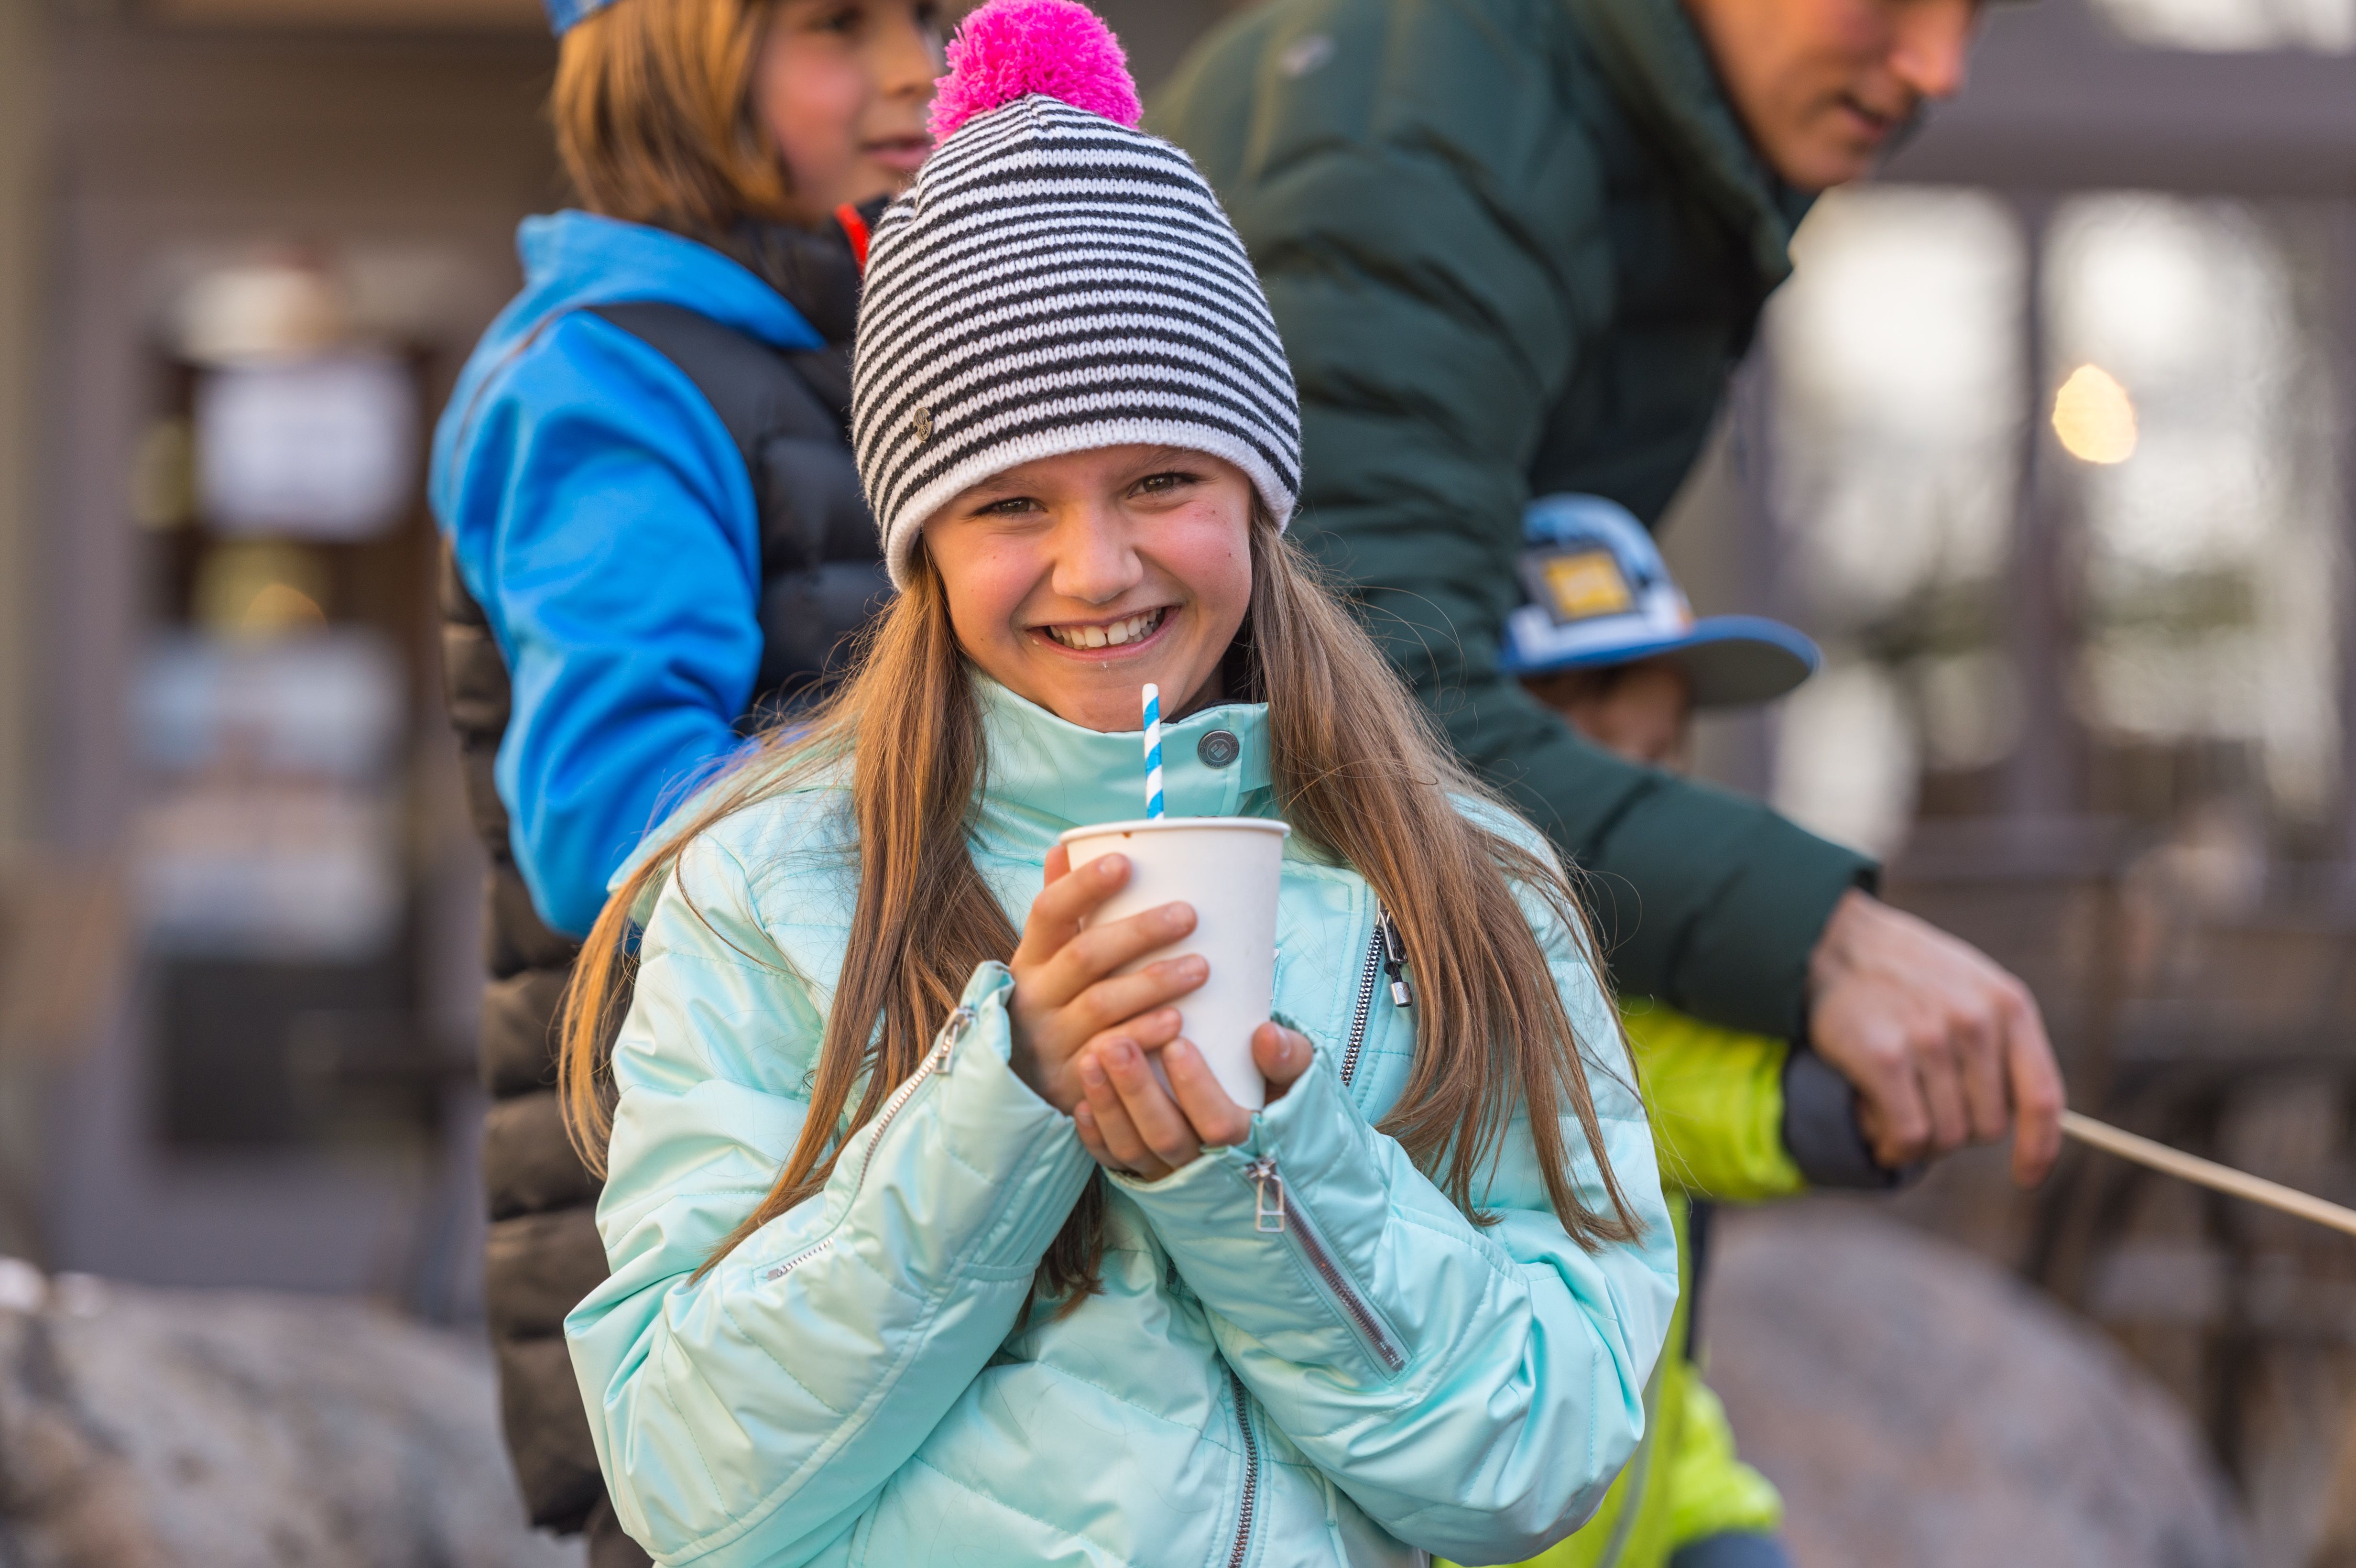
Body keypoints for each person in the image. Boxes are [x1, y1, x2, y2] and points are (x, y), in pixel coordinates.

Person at [555, 6, 1678, 1564]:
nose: (1097, 566)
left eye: (1161, 476)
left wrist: (1257, 1168)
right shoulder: (765, 888)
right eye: (1007, 502)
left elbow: (1547, 1452)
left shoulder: (1460, 887)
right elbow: (689, 1482)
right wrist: (1000, 1106)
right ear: (920, 547)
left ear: (1254, 493)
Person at [1154, 0, 2067, 1191]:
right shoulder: (1425, 131)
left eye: (1975, 13)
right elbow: (1356, 686)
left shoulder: (1597, 137)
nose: (1935, 65)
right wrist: (1812, 936)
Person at [427, 0, 940, 1558]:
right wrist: (967, 805)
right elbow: (617, 821)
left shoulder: (845, 341)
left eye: (928, 14)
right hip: (695, 1255)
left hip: (847, 1220)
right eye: (838, 25)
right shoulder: (604, 378)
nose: (914, 65)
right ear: (667, 52)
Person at [1456, 494, 1895, 1568]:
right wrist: (1807, 1105)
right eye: (1596, 763)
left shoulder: (1650, 982)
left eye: (1661, 761)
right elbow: (1646, 1094)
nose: (1646, 809)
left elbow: (1659, 1375)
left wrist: (1710, 1519)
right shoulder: (1431, 995)